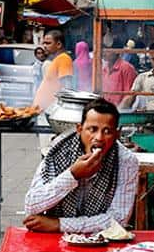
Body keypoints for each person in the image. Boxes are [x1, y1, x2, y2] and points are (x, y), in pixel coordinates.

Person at [24, 98, 138, 233]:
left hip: (100, 239)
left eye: (107, 131)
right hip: (54, 239)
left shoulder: (126, 161)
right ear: (80, 129)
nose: (99, 137)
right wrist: (72, 175)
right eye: (92, 129)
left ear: (117, 134)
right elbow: (31, 206)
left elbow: (118, 220)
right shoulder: (58, 152)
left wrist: (59, 224)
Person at [32, 30, 74, 110]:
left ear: (58, 44)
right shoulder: (57, 59)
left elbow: (66, 87)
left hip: (50, 110)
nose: (44, 46)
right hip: (44, 110)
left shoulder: (64, 58)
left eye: (48, 43)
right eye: (44, 43)